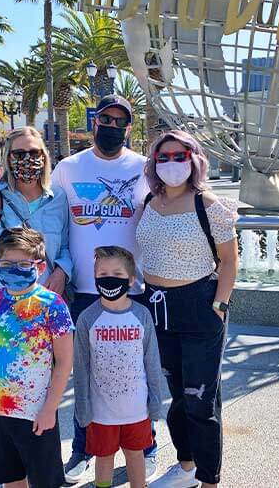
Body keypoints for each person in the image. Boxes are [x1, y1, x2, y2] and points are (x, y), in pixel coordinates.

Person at [51, 95, 157, 482]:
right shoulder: (67, 168)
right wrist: (58, 270)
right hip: (83, 290)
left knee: (139, 370)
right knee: (86, 373)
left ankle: (145, 445)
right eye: (105, 119)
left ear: (129, 127)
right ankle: (83, 447)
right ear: (93, 121)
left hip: (134, 290)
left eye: (119, 121)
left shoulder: (145, 167)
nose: (111, 126)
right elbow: (55, 224)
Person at [137, 130, 239, 488]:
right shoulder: (150, 200)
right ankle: (186, 466)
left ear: (193, 159)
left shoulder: (208, 204)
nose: (170, 164)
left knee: (201, 400)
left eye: (178, 156)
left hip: (199, 308)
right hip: (157, 309)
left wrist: (219, 305)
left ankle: (209, 479)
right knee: (177, 396)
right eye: (162, 157)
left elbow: (229, 262)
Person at [0, 227, 74, 488]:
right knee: (10, 480)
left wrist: (50, 409)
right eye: (7, 264)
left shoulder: (53, 305)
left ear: (39, 268)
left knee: (44, 481)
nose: (14, 270)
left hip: (36, 413)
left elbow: (64, 362)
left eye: (23, 264)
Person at [0, 127, 72, 347]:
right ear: (8, 158)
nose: (28, 159)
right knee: (0, 377)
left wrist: (62, 271)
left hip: (45, 313)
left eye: (34, 153)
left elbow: (66, 246)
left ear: (44, 156)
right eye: (19, 154)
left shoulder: (58, 198)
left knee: (48, 377)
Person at [73, 246, 165, 488]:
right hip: (101, 412)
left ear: (132, 280)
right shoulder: (87, 318)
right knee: (104, 457)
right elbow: (80, 367)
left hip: (137, 409)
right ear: (94, 277)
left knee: (136, 456)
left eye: (117, 273)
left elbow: (152, 362)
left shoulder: (142, 315)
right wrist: (82, 406)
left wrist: (156, 400)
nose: (110, 278)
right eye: (102, 274)